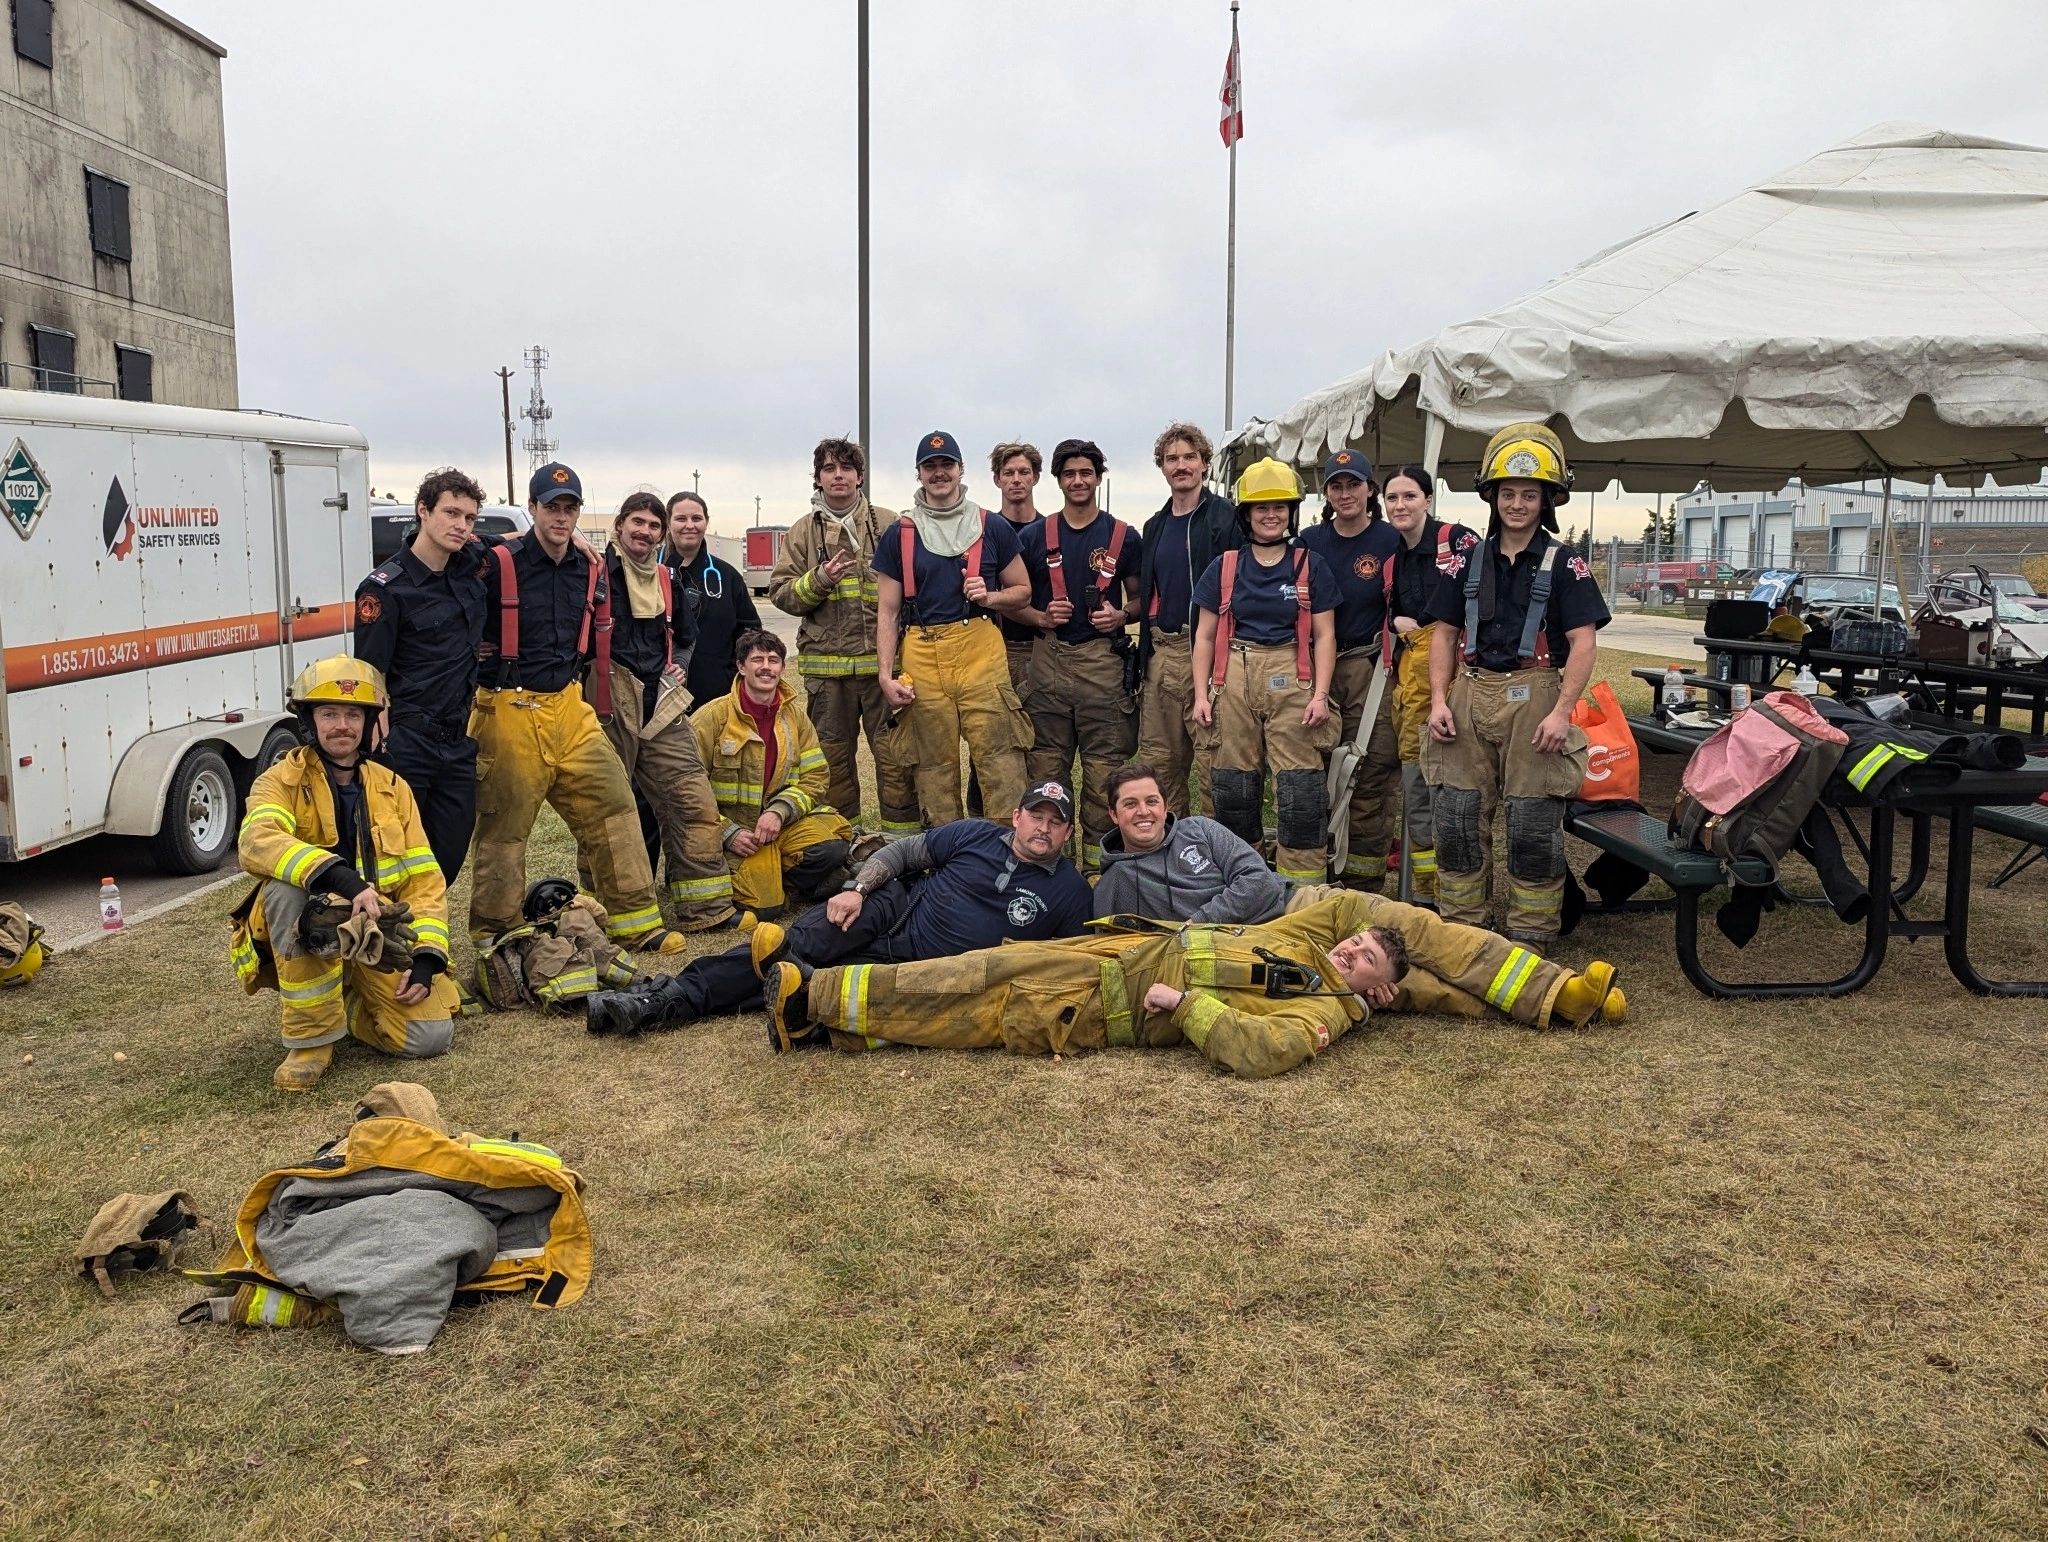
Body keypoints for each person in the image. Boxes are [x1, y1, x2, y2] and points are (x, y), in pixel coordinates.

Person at [763, 890, 1624, 1079]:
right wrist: (1543, 993)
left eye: (1366, 960)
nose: (1352, 949)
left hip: (1103, 1006)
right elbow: (1425, 946)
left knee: (976, 998)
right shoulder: (1319, 930)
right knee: (973, 974)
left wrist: (1190, 1006)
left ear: (1374, 991)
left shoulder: (1325, 1007)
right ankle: (821, 1010)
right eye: (1356, 942)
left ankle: (813, 1003)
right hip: (1121, 949)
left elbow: (1265, 1052)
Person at [1090, 762, 1625, 1027]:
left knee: (1418, 931)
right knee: (1406, 986)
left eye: (1152, 801)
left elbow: (1254, 881)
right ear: (1113, 814)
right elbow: (1119, 948)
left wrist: (1197, 922)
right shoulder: (1114, 885)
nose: (1145, 812)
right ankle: (1557, 1010)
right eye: (1131, 805)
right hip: (1256, 952)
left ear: (1165, 805)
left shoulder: (1200, 831)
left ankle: (1560, 988)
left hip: (1302, 909)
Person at [583, 782, 1092, 1037]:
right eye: (1037, 816)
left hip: (922, 971)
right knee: (796, 944)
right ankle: (666, 997)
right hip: (891, 909)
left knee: (802, 981)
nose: (1043, 829)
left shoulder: (1070, 892)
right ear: (1016, 816)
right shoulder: (975, 834)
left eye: (1056, 823)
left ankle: (668, 1004)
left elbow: (1067, 963)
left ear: (1068, 832)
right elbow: (902, 854)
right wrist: (857, 889)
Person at [468, 462, 688, 953]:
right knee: (505, 830)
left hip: (570, 705)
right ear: (532, 508)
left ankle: (636, 922)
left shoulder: (589, 566)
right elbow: (437, 557)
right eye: (552, 507)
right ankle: (498, 938)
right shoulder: (496, 561)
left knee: (615, 806)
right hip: (507, 707)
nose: (561, 517)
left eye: (570, 509)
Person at [231, 658, 459, 1091]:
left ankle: (348, 1000)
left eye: (353, 715)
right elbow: (257, 841)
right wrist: (340, 878)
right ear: (309, 722)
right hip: (311, 924)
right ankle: (312, 1040)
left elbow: (424, 880)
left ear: (368, 722)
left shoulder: (394, 787)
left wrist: (428, 956)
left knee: (429, 1037)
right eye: (329, 714)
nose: (342, 726)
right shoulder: (278, 782)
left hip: (375, 933)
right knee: (284, 891)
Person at [1424, 424, 1610, 943]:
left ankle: (1531, 934)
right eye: (1508, 493)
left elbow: (1584, 641)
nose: (1518, 504)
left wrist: (1563, 712)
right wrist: (1438, 700)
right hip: (1469, 691)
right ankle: (1462, 932)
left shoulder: (1566, 563)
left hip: (1537, 698)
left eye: (1530, 494)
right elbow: (1444, 634)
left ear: (1548, 500)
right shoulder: (1467, 558)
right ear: (1492, 496)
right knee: (1458, 818)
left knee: (1532, 822)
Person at [593, 492, 741, 932]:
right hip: (609, 702)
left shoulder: (665, 578)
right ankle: (617, 916)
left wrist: (678, 665)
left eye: (653, 526)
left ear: (662, 535)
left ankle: (707, 910)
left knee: (693, 799)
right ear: (619, 525)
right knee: (611, 812)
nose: (645, 532)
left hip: (660, 701)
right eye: (637, 522)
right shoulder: (593, 574)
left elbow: (686, 637)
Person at [1189, 458, 1340, 889]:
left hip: (1294, 674)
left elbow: (1325, 636)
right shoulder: (1225, 566)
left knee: (1300, 790)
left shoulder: (1310, 565)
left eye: (1279, 507)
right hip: (1233, 675)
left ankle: (1303, 891)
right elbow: (1204, 636)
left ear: (1292, 511)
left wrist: (1320, 696)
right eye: (1261, 508)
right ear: (1246, 514)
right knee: (1233, 787)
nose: (1271, 515)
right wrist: (1201, 696)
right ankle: (1246, 883)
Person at [873, 430, 1035, 825]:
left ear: (961, 470)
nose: (939, 472)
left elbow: (1023, 591)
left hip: (981, 654)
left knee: (1001, 762)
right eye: (930, 466)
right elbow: (888, 612)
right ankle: (945, 853)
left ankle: (1004, 850)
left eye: (947, 464)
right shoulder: (900, 533)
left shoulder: (991, 526)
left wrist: (990, 597)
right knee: (933, 767)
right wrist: (885, 675)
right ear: (919, 474)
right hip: (922, 654)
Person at [768, 438, 920, 840]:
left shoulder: (890, 525)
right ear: (817, 478)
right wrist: (820, 579)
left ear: (860, 477)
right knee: (831, 763)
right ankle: (844, 844)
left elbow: (915, 587)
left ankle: (902, 845)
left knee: (897, 759)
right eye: (829, 468)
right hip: (827, 677)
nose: (838, 475)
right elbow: (781, 594)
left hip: (883, 671)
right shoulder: (802, 532)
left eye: (846, 468)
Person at [354, 467, 491, 882]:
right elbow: (369, 671)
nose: (462, 525)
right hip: (407, 741)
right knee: (397, 858)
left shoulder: (467, 567)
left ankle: (426, 921)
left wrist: (572, 537)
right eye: (451, 513)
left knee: (448, 855)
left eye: (469, 518)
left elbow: (514, 544)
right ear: (423, 511)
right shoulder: (384, 588)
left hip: (458, 741)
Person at [1014, 438, 1140, 870]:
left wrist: (1121, 615)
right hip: (1048, 662)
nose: (1078, 480)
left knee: (1105, 773)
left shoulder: (1124, 536)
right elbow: (1011, 598)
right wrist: (1040, 616)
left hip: (1102, 665)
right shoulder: (1034, 537)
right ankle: (1050, 866)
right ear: (1058, 481)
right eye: (1069, 474)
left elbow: (1143, 599)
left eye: (1086, 472)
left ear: (1099, 478)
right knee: (1047, 772)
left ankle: (1100, 871)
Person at [693, 628, 853, 919]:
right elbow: (687, 791)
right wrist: (727, 832)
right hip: (736, 833)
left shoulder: (795, 717)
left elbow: (816, 777)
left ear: (782, 667)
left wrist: (780, 812)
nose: (766, 667)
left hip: (780, 826)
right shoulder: (711, 718)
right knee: (766, 909)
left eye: (774, 660)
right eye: (757, 660)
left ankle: (783, 877)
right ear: (741, 667)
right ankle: (778, 883)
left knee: (832, 848)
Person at [1297, 449, 1403, 889]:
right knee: (1313, 768)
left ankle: (1362, 883)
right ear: (1326, 493)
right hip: (1314, 668)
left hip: (1369, 668)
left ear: (1370, 489)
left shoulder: (1391, 539)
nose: (1346, 494)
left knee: (1371, 770)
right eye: (1336, 486)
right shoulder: (1308, 541)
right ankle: (1317, 871)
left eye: (1354, 484)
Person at [1381, 465, 1480, 902]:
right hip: (1411, 681)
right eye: (1392, 498)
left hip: (1458, 679)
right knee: (1416, 783)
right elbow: (1392, 614)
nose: (1400, 505)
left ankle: (1459, 891)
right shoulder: (1394, 557)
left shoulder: (1457, 542)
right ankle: (1426, 893)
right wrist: (1399, 624)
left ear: (1428, 499)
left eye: (1409, 496)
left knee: (1455, 786)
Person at [1134, 422, 1240, 816]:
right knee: (1159, 765)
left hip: (1210, 654)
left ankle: (1214, 845)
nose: (1181, 465)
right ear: (1162, 467)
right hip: (1163, 654)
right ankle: (1168, 843)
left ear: (1205, 464)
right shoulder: (1154, 526)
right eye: (1171, 458)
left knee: (1214, 761)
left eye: (1189, 457)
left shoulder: (1227, 518)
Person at [665, 490, 760, 707]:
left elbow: (750, 633)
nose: (689, 525)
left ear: (706, 522)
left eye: (696, 518)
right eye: (681, 518)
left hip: (716, 699)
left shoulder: (727, 577)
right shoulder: (649, 574)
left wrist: (730, 675)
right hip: (660, 698)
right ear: (668, 523)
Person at [988, 441, 1047, 686]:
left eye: (1023, 472)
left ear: (1035, 477)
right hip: (997, 648)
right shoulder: (985, 533)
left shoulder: (1051, 532)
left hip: (1045, 648)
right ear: (997, 479)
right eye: (1008, 473)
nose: (1016, 480)